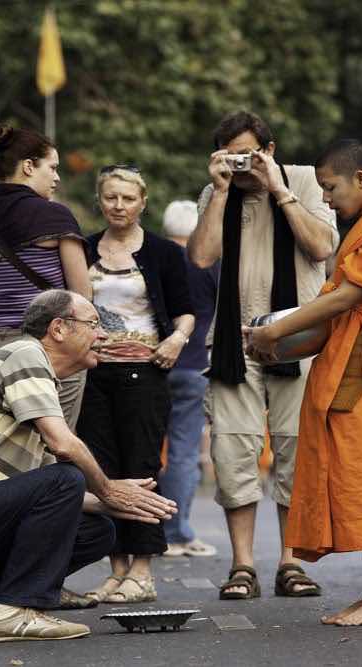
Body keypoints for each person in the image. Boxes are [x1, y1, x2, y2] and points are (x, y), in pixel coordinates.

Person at [0, 289, 177, 642]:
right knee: (66, 477)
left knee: (97, 531)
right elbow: (64, 450)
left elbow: (51, 500)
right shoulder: (25, 354)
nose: (103, 334)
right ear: (59, 328)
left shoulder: (41, 378)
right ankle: (14, 612)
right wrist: (108, 488)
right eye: (94, 324)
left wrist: (121, 503)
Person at [246, 139, 362, 626]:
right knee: (356, 477)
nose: (325, 198)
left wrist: (276, 329)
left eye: (330, 187)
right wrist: (272, 346)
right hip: (347, 362)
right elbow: (333, 324)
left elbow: (344, 299)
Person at [186, 111, 336, 600]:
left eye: (251, 153)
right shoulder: (219, 192)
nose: (244, 163)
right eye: (234, 155)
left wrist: (279, 190)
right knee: (233, 449)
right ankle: (243, 565)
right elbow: (202, 257)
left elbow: (320, 247)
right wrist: (223, 192)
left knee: (295, 449)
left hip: (298, 337)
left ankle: (291, 562)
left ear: (269, 150)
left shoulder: (308, 181)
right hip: (235, 338)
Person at [78, 167, 193, 604]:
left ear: (143, 201)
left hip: (144, 373)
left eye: (128, 198)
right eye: (111, 197)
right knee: (103, 471)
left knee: (141, 467)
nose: (119, 206)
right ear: (100, 200)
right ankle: (117, 568)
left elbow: (185, 310)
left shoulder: (163, 252)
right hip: (93, 373)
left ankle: (143, 569)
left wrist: (176, 340)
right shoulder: (84, 249)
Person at [0, 120, 91, 428]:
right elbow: (81, 293)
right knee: (53, 449)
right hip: (50, 348)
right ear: (29, 166)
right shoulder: (55, 215)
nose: (56, 177)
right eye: (52, 168)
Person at [159, 200, 219, 559]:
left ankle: (141, 532)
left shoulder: (157, 259)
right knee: (183, 454)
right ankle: (176, 532)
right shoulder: (208, 263)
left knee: (147, 452)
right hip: (195, 364)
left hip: (154, 363)